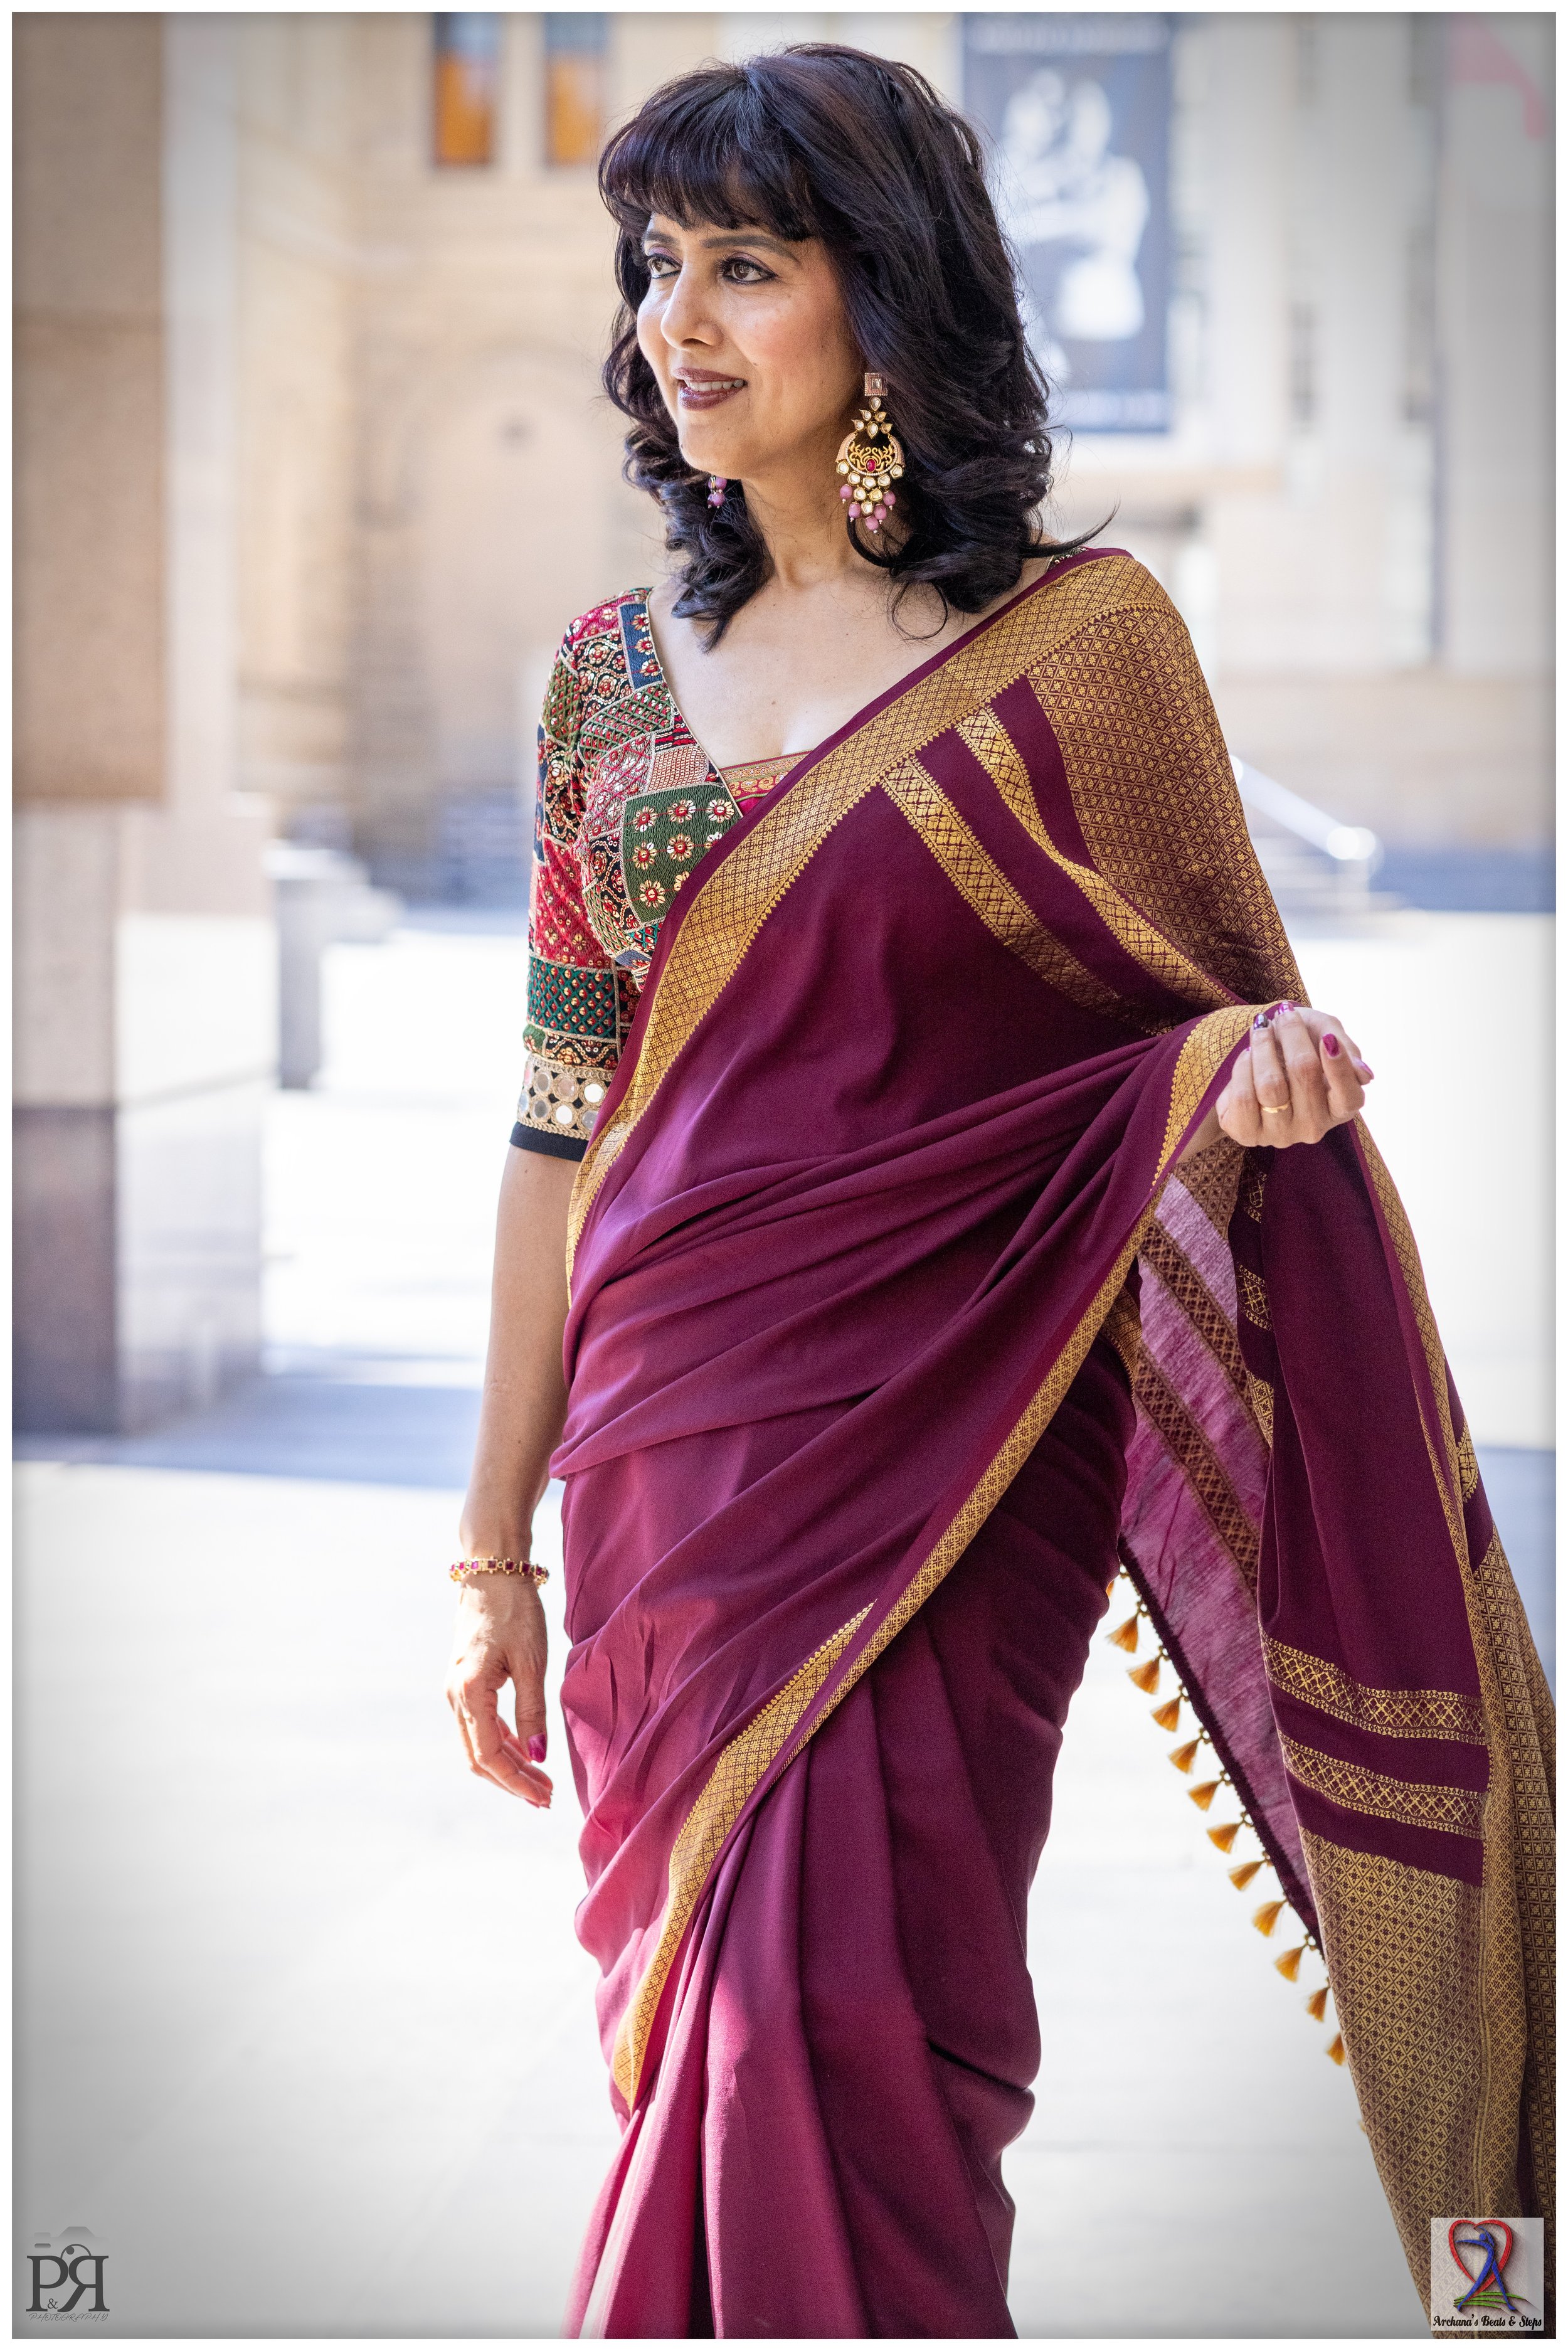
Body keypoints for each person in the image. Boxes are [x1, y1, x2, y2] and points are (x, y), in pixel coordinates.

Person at [443, 46, 1552, 2338]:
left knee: (853, 2033)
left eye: (747, 265)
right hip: (671, 1473)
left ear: (890, 309)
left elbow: (1208, 1014)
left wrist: (1243, 1075)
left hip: (960, 1441)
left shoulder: (1077, 655)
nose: (681, 320)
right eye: (658, 268)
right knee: (701, 2036)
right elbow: (559, 1126)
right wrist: (491, 1550)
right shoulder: (600, 693)